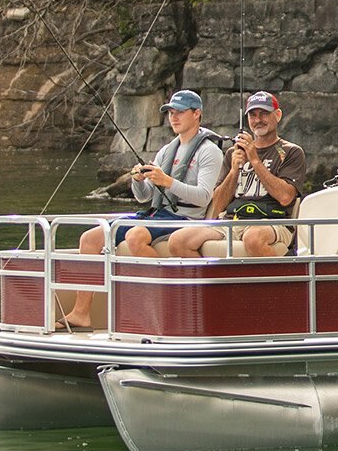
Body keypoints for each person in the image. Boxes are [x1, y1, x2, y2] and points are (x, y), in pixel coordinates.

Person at [56, 89, 223, 331]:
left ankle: (168, 303)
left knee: (136, 235)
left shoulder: (210, 151)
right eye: (171, 113)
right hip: (156, 214)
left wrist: (167, 182)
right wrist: (138, 180)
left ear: (197, 114)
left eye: (180, 112)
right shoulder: (167, 150)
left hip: (185, 217)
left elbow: (204, 197)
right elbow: (144, 197)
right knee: (90, 238)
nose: (174, 117)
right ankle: (81, 313)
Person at [168, 91, 306, 257]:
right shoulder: (233, 153)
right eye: (253, 115)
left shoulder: (291, 151)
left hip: (272, 222)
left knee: (253, 238)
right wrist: (234, 171)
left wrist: (255, 161)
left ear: (277, 115)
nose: (258, 120)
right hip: (232, 220)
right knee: (178, 241)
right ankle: (212, 275)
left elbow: (285, 197)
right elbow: (218, 205)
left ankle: (280, 275)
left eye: (264, 113)